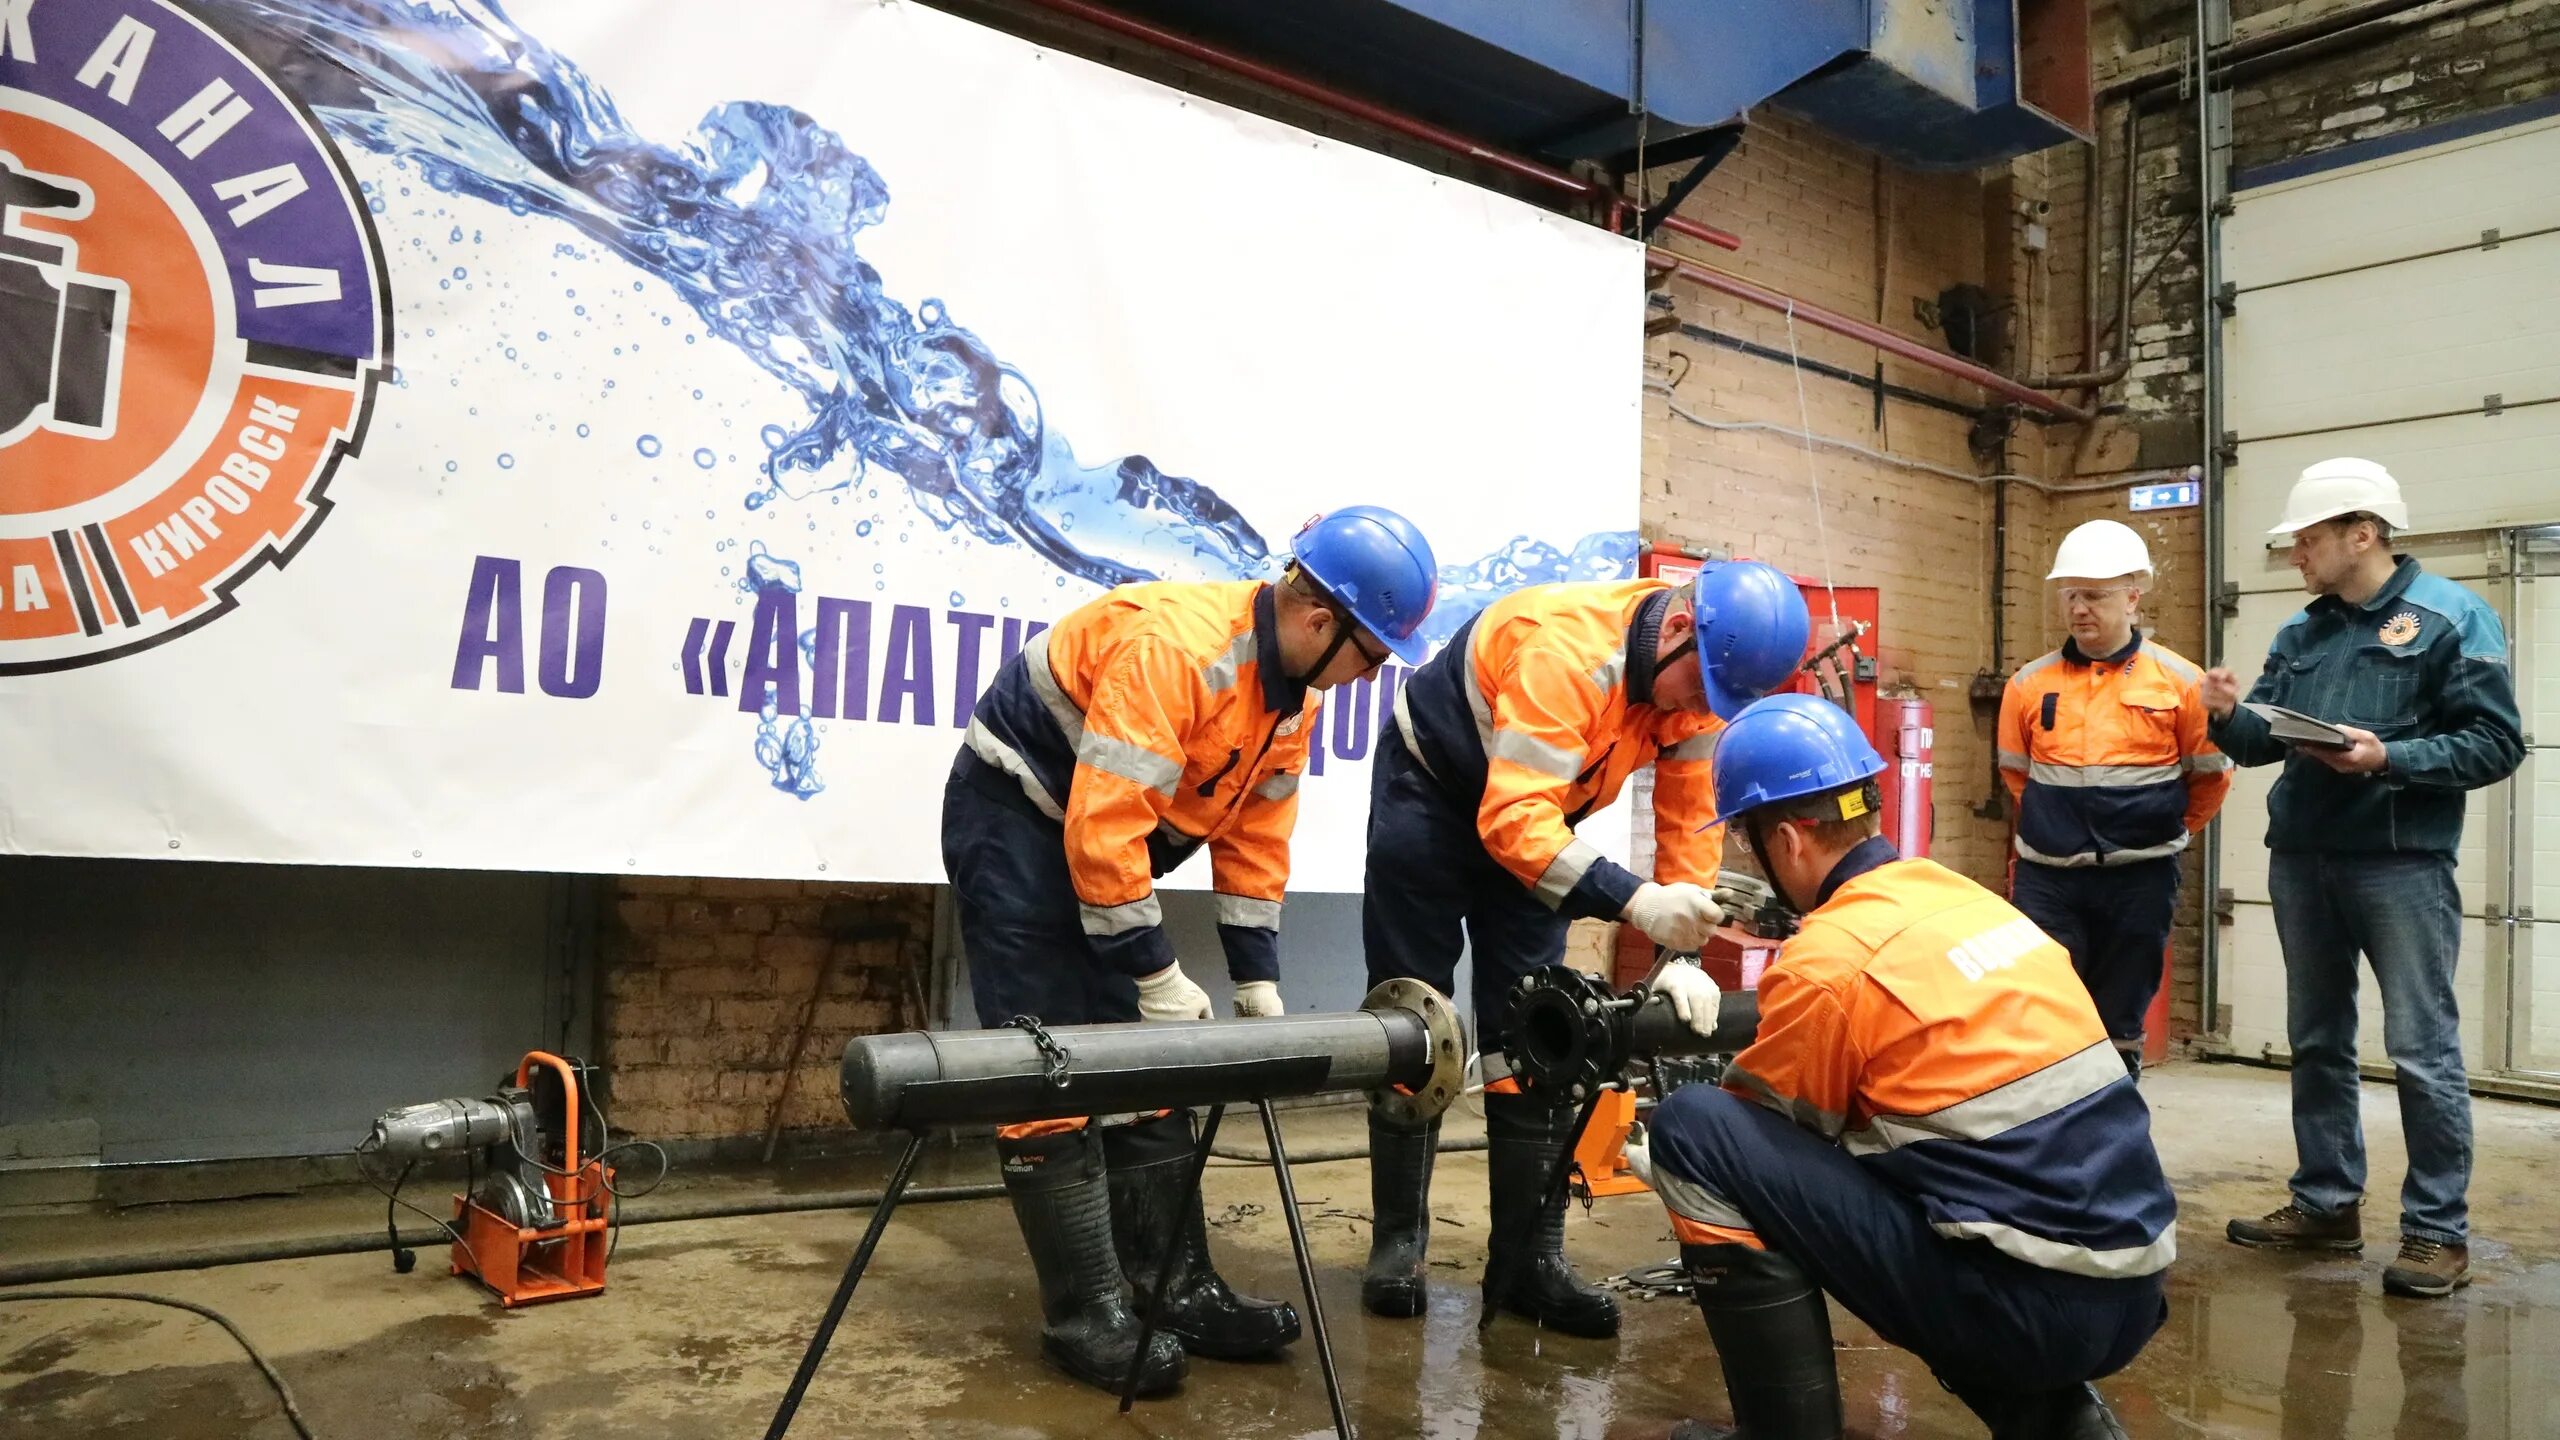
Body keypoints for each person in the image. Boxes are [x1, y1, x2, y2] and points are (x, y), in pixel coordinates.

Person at [940, 505, 1439, 1393]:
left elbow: (1255, 842)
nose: (1371, 677)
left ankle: (1175, 1284)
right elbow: (1102, 834)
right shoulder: (1179, 650)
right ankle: (1087, 1315)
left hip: (1103, 839)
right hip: (1015, 821)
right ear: (1322, 623)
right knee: (1044, 1057)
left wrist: (1258, 980)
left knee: (1150, 1064)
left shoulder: (1293, 702)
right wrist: (1156, 974)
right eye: (1372, 653)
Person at [1636, 693, 2173, 1440]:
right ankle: (2061, 1422)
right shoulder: (1968, 902)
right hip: (2134, 1287)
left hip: (2028, 1311)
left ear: (1788, 840)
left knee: (1696, 1130)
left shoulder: (1829, 958)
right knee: (1945, 1174)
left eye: (1744, 840)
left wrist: (1655, 1155)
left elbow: (1763, 1141)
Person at [1358, 560, 1812, 1336]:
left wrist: (1686, 954)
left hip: (1535, 813)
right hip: (1432, 793)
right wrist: (1636, 902)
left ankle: (1528, 1259)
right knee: (1416, 1020)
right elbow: (1511, 825)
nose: (1701, 710)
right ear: (1674, 631)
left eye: (1714, 701)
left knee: (1536, 1026)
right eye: (1698, 690)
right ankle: (1399, 1243)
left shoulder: (1699, 682)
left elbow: (1685, 821)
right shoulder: (1566, 652)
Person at [2202, 457, 2523, 1299]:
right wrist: (2224, 713)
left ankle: (2434, 1233)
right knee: (2317, 1040)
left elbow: (2496, 743)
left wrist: (2388, 756)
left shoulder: (2453, 618)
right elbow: (2260, 744)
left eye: (2308, 538)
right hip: (2303, 858)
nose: (2296, 553)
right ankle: (2327, 1201)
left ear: (2364, 532)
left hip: (2400, 865)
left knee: (2422, 1051)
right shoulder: (2302, 633)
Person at [1999, 519, 2230, 1079]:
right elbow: (2016, 776)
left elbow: (2210, 778)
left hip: (2140, 879)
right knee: (2046, 998)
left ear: (2133, 597)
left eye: (2095, 595)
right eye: (2071, 594)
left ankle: (2114, 1117)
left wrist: (2159, 834)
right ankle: (2050, 1124)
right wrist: (2058, 828)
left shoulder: (2181, 682)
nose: (2080, 608)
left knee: (2122, 1010)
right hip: (2048, 877)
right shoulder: (2029, 684)